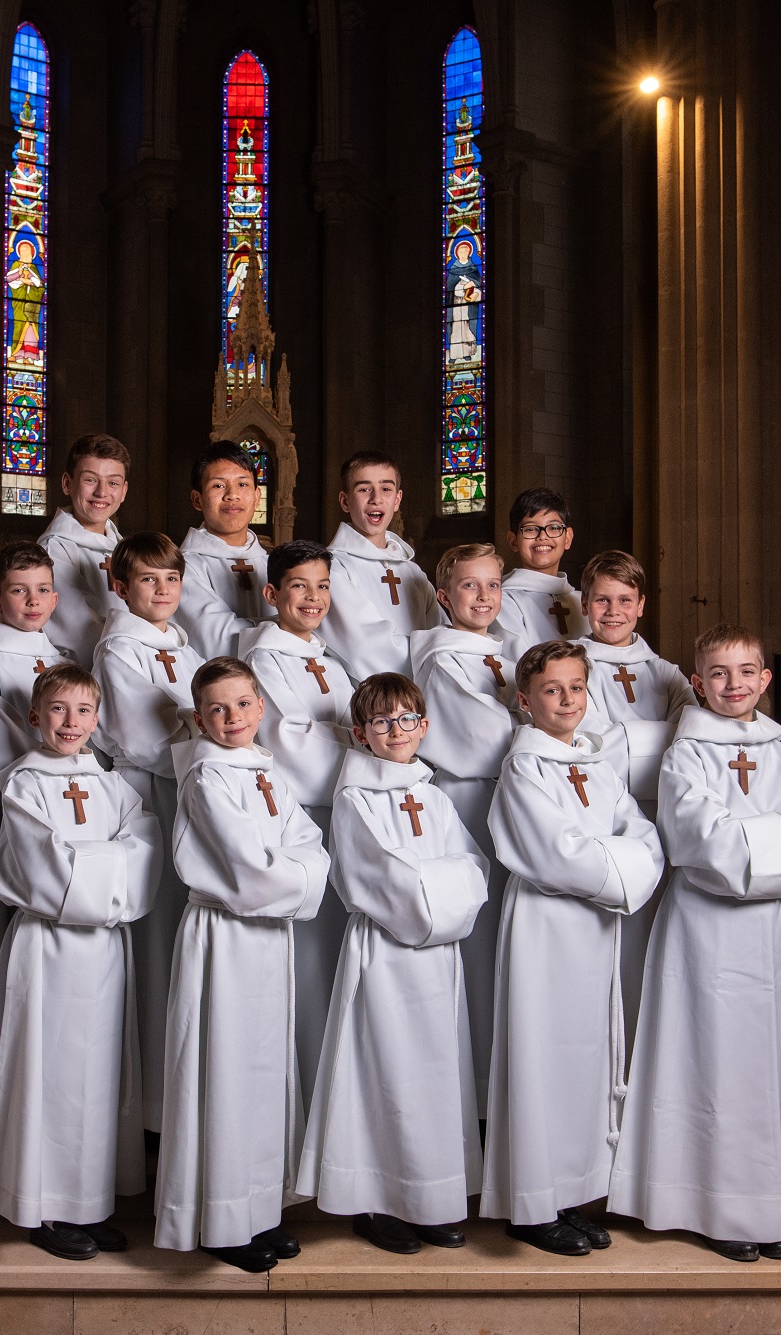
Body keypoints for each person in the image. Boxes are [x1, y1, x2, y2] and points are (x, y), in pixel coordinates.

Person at [608, 625, 781, 1263]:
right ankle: (715, 1209)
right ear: (697, 682)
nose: (733, 685)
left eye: (746, 673)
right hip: (707, 932)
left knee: (762, 1068)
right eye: (718, 673)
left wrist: (754, 841)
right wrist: (775, 842)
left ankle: (767, 1207)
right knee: (714, 1064)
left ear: (765, 680)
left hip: (769, 935)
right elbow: (700, 841)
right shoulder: (686, 754)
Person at [0, 665, 161, 1261]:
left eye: (82, 711)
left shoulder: (108, 781)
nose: (70, 723)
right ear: (33, 716)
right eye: (57, 710)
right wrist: (108, 866)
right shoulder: (22, 783)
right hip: (46, 947)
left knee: (98, 1079)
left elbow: (144, 841)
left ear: (97, 719)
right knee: (47, 1076)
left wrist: (91, 862)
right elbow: (40, 862)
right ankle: (43, 1204)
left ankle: (87, 1202)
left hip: (104, 950)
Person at [479, 641, 663, 1256]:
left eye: (577, 688)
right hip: (546, 927)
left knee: (588, 1060)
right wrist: (620, 864)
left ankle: (572, 1192)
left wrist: (620, 858)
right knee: (542, 1060)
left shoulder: (595, 763)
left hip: (594, 928)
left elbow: (642, 833)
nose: (566, 700)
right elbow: (555, 853)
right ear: (525, 700)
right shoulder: (524, 766)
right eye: (552, 690)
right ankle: (531, 1206)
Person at [296, 672, 487, 1256]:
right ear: (361, 734)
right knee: (384, 1071)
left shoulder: (432, 794)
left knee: (435, 1075)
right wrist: (438, 892)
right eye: (381, 722)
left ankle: (429, 1199)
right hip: (384, 951)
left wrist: (439, 892)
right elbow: (375, 877)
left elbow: (473, 867)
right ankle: (377, 1200)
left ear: (424, 727)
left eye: (407, 720)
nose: (396, 731)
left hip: (438, 958)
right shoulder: (355, 798)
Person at [154, 657, 331, 1273]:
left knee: (263, 1071)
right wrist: (293, 869)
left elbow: (309, 843)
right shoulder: (206, 777)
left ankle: (258, 1208)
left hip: (268, 937)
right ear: (199, 718)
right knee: (224, 1072)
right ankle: (219, 1220)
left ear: (262, 708)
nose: (232, 719)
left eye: (243, 705)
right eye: (217, 710)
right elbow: (248, 868)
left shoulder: (263, 771)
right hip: (225, 934)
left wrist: (292, 865)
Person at [93, 531, 206, 1129]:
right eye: (147, 580)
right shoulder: (118, 650)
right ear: (120, 586)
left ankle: (178, 1091)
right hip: (150, 794)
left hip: (185, 788)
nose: (162, 591)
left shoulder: (179, 645)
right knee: (157, 938)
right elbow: (141, 738)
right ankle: (152, 1106)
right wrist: (204, 748)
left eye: (171, 580)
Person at [239, 539, 356, 1097]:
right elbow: (293, 743)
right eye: (299, 586)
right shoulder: (264, 659)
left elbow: (354, 728)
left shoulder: (328, 660)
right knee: (308, 956)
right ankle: (304, 1085)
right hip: (304, 814)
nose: (313, 598)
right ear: (272, 593)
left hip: (342, 809)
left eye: (323, 586)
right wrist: (354, 745)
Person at [409, 543, 522, 1103]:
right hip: (470, 802)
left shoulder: (504, 652)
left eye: (493, 585)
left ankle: (505, 1076)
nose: (483, 597)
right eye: (470, 586)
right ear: (443, 595)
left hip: (515, 800)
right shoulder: (442, 659)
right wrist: (542, 722)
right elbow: (486, 738)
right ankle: (476, 1085)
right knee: (479, 943)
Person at [576, 548, 695, 1021]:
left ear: (642, 605)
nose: (613, 612)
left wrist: (623, 739)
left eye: (624, 600)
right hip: (602, 810)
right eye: (602, 601)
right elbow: (585, 741)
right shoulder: (573, 665)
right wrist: (656, 739)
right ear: (584, 604)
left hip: (660, 812)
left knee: (654, 934)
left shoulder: (664, 671)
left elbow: (692, 734)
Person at [0, 541, 74, 781]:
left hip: (64, 780)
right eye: (19, 590)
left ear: (55, 600)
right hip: (14, 782)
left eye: (43, 590)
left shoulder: (64, 664)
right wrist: (39, 776)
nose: (33, 600)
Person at [319, 452, 440, 681]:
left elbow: (439, 631)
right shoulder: (333, 568)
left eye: (386, 489)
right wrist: (429, 657)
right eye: (364, 489)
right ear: (345, 501)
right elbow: (362, 647)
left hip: (424, 693)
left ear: (397, 500)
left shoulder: (412, 571)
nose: (376, 498)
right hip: (371, 696)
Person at [39, 433, 131, 667]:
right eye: (90, 480)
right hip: (93, 672)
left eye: (113, 482)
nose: (102, 492)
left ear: (123, 491)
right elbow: (78, 635)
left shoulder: (126, 549)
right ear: (67, 483)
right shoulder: (52, 550)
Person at [178, 440, 270, 660]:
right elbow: (218, 640)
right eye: (218, 485)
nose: (232, 495)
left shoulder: (270, 562)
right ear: (197, 499)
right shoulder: (182, 567)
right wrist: (288, 629)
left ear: (257, 497)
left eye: (242, 484)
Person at [491, 487, 587, 659]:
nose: (542, 537)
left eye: (554, 527)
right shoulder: (503, 602)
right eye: (530, 529)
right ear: (513, 541)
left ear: (568, 537)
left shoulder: (584, 602)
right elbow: (520, 663)